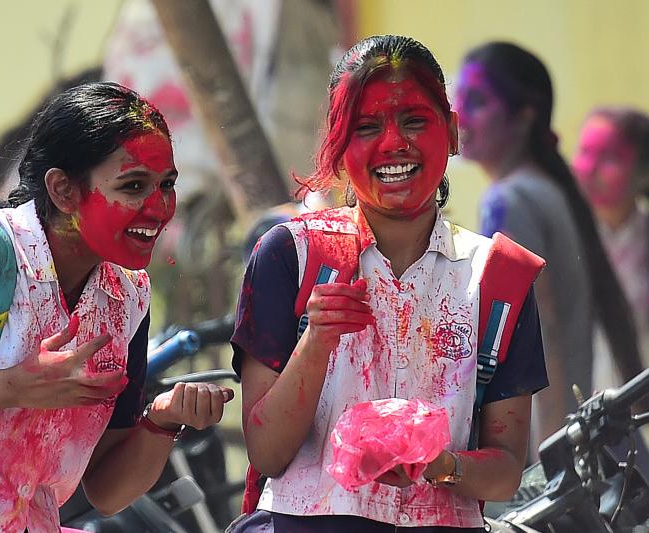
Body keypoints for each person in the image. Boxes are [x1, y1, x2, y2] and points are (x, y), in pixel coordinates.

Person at [230, 35, 548, 532]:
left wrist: (442, 466)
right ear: (336, 148)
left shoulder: (498, 276)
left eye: (415, 120)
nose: (394, 143)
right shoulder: (290, 255)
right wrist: (316, 343)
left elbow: (507, 471)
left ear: (453, 132)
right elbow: (267, 454)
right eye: (366, 126)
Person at [0, 81, 233, 532]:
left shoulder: (128, 295)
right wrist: (14, 386)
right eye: (134, 186)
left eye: (166, 185)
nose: (159, 208)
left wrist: (162, 422)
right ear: (63, 190)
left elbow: (106, 492)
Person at [453, 42, 648, 448]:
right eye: (457, 98)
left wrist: (548, 464)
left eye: (477, 101)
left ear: (523, 116)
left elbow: (543, 335)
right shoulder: (546, 190)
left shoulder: (508, 202)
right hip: (568, 436)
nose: (458, 114)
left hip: (549, 443)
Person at [571, 106, 649, 391]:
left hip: (624, 417)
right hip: (555, 423)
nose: (588, 168)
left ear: (646, 174)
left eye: (609, 158)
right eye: (584, 152)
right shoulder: (557, 232)